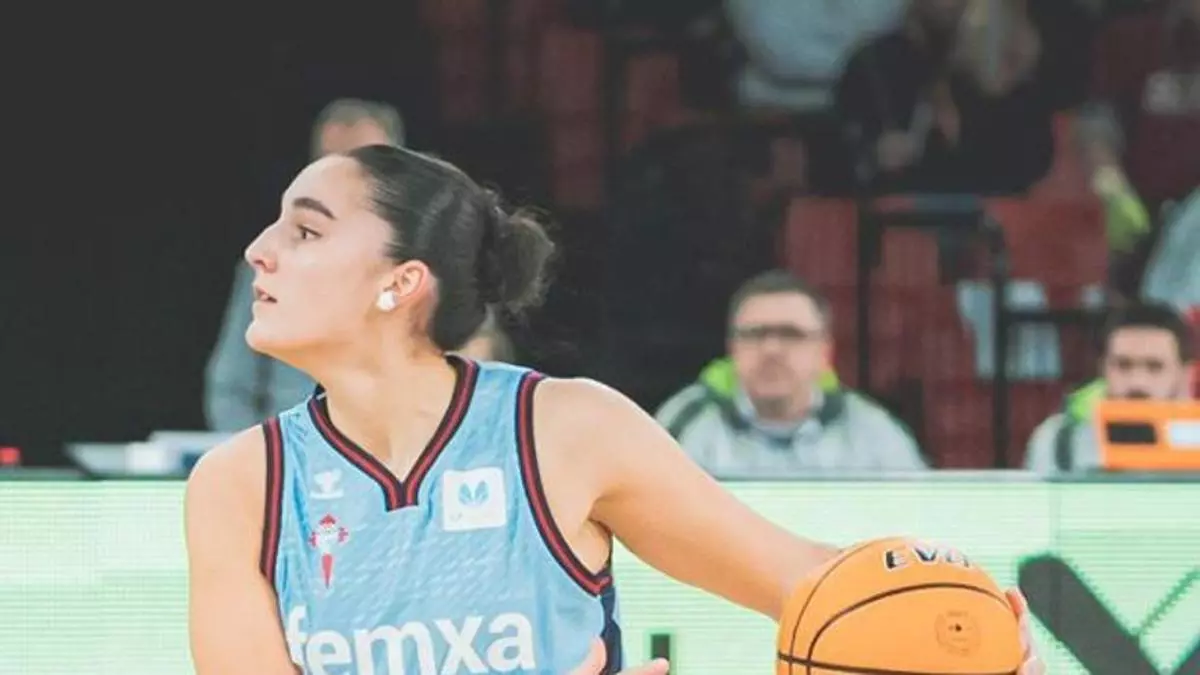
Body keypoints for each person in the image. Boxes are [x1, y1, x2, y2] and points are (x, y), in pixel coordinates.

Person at [185, 145, 1044, 674]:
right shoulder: (240, 485)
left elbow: (804, 579)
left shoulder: (562, 430)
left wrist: (952, 628)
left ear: (400, 282)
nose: (258, 250)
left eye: (305, 230)